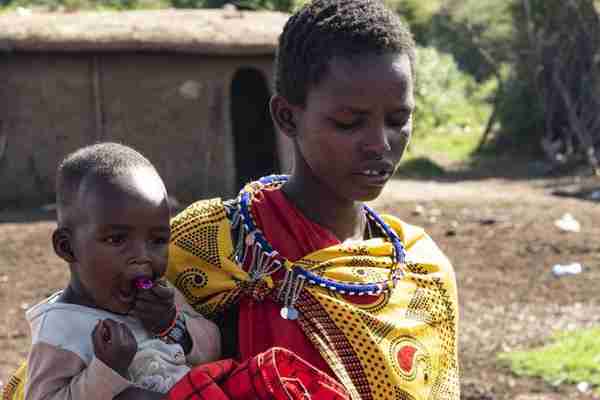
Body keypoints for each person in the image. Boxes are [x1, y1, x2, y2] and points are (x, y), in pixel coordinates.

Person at [166, 0, 460, 399]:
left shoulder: (423, 270)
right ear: (287, 118)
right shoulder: (207, 247)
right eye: (348, 122)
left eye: (397, 120)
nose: (379, 143)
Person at [23, 143, 221, 400]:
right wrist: (106, 371)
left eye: (158, 240)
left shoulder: (163, 299)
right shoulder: (61, 329)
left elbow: (213, 349)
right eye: (117, 240)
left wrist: (173, 325)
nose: (143, 257)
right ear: (67, 247)